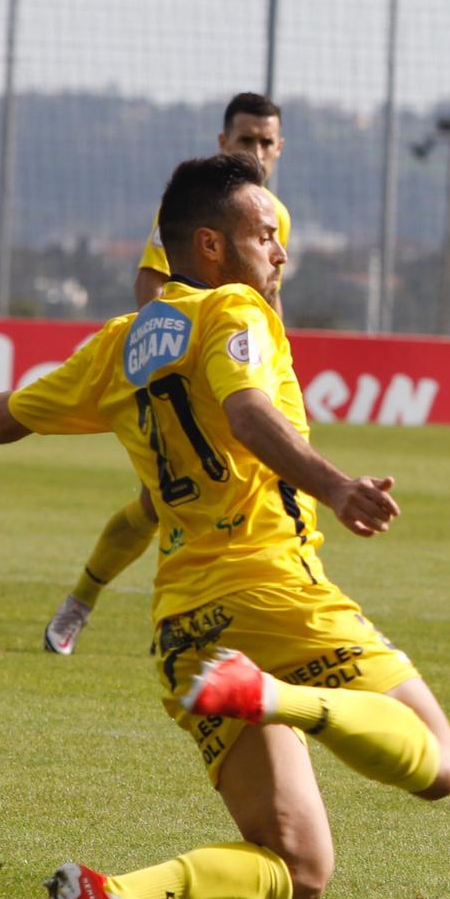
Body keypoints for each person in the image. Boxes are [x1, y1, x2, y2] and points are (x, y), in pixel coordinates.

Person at [0, 153, 450, 899]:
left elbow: (6, 419)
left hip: (185, 626)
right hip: (273, 587)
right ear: (210, 245)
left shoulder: (114, 347)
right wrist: (335, 485)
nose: (278, 252)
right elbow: (248, 410)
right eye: (263, 234)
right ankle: (274, 694)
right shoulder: (232, 309)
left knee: (298, 865)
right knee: (441, 761)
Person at [45, 92, 293, 657]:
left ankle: (239, 626)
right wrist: (181, 342)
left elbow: (268, 299)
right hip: (184, 375)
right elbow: (150, 287)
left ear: (280, 147)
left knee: (256, 494)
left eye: (266, 141)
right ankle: (84, 601)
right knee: (161, 505)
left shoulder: (273, 217)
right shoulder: (195, 212)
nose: (257, 149)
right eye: (246, 140)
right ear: (223, 143)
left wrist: (278, 366)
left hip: (241, 370)